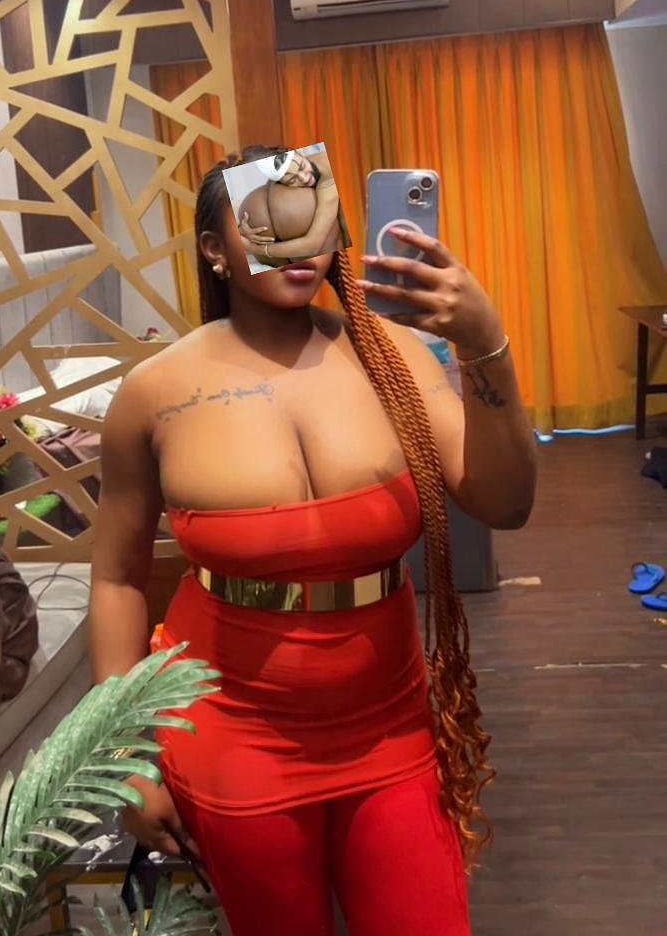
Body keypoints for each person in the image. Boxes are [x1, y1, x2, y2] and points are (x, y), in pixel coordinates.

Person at [90, 144, 537, 936]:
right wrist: (122, 756)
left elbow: (505, 503)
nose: (298, 239)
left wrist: (484, 344)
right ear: (214, 249)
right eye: (266, 219)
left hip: (391, 723)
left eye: (313, 216)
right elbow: (119, 579)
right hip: (230, 732)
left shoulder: (392, 357)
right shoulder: (154, 392)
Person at [238, 147, 347, 262]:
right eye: (292, 180)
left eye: (302, 167)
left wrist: (255, 249)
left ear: (300, 152)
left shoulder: (328, 179)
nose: (304, 178)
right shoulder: (283, 169)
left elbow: (313, 245)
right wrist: (241, 230)